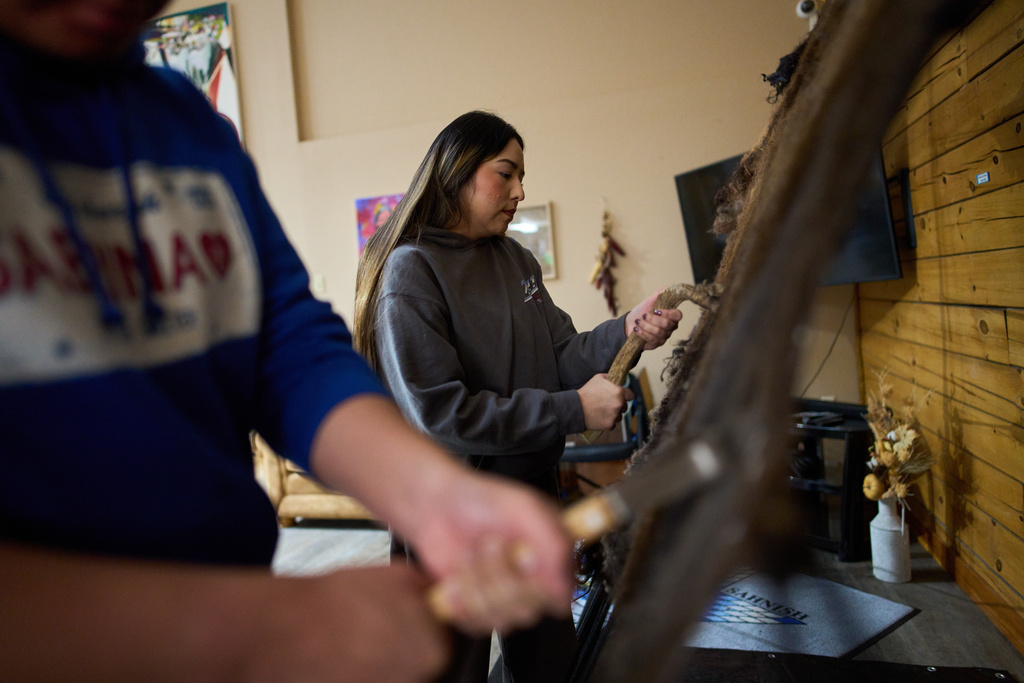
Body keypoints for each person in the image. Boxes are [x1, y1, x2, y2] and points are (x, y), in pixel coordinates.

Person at [0, 3, 575, 681]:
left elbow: (288, 342)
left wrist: (435, 494)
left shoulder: (187, 125)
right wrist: (265, 626)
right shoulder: (413, 268)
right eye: (503, 172)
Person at [354, 110, 682, 683]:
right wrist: (573, 410)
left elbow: (561, 355)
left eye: (521, 176)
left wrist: (628, 328)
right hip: (450, 520)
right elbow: (441, 415)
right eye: (505, 174)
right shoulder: (411, 272)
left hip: (528, 501)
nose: (520, 190)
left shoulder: (515, 261)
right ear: (457, 169)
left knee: (550, 664)